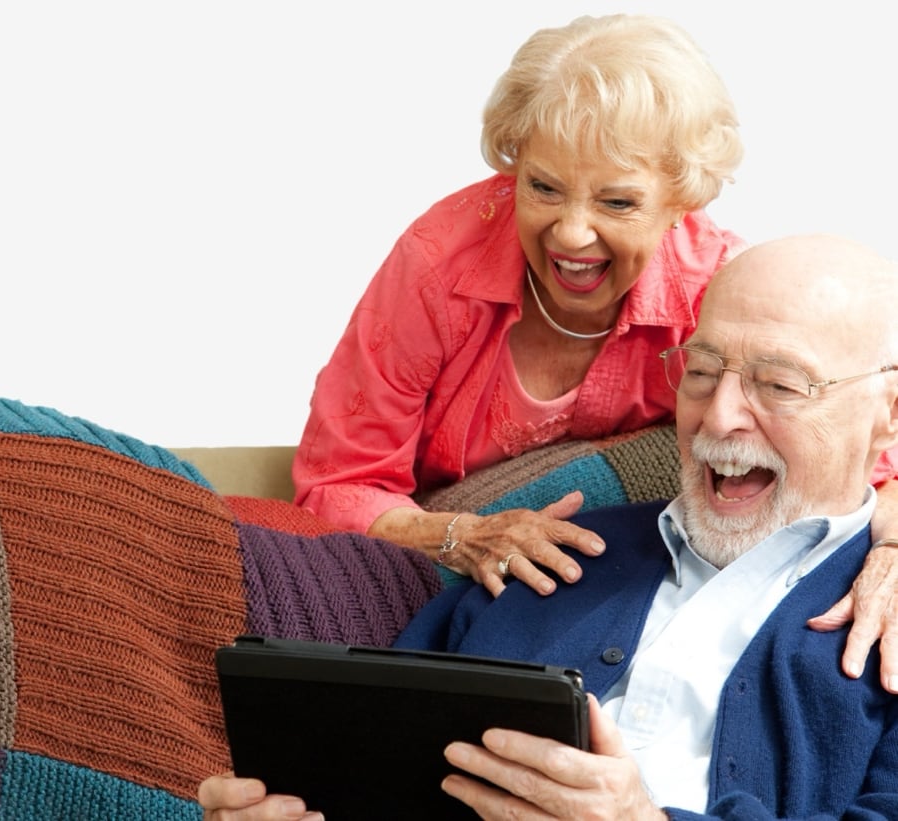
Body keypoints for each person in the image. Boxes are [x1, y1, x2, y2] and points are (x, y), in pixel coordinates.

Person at [291, 12, 898, 689]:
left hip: (606, 593)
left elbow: (869, 448)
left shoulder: (719, 290)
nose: (572, 233)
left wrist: (895, 547)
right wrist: (465, 533)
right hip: (444, 578)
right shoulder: (438, 263)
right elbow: (337, 485)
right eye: (543, 187)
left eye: (617, 202)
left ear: (680, 202)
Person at [199, 233, 898, 819]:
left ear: (888, 415)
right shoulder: (550, 555)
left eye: (780, 385)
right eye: (702, 371)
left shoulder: (886, 620)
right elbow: (377, 761)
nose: (718, 417)